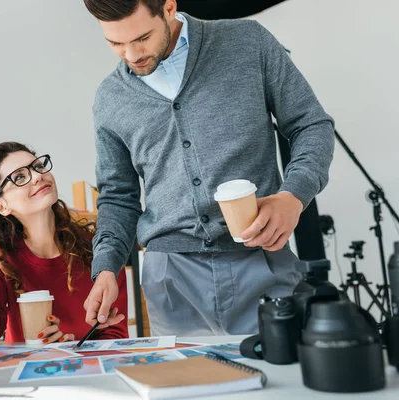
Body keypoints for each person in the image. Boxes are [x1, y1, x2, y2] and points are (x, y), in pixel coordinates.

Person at [82, 0, 335, 336]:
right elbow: (117, 196)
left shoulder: (247, 42)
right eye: (115, 43)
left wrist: (293, 196)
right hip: (170, 282)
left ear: (169, 7)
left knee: (281, 384)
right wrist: (106, 269)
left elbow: (311, 124)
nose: (131, 54)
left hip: (261, 261)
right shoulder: (110, 98)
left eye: (142, 37)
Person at [0, 142, 128, 345]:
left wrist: (74, 347)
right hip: (26, 372)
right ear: (2, 206)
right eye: (19, 177)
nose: (38, 176)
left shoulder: (100, 249)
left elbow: (115, 333)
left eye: (38, 166)